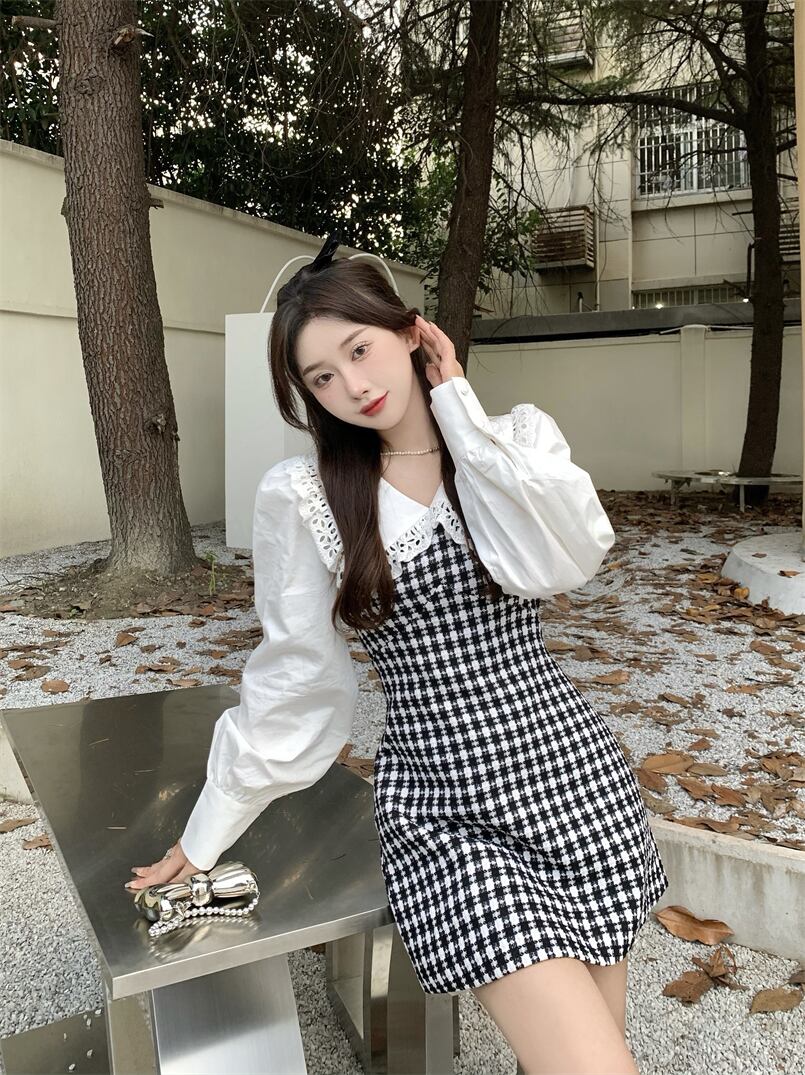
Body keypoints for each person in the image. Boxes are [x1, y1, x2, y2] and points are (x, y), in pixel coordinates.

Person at [125, 242, 668, 1074]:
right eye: (321, 377)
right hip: (446, 813)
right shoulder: (308, 497)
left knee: (580, 1052)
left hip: (573, 785)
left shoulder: (513, 445)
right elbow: (297, 682)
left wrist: (460, 414)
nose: (352, 384)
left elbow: (564, 558)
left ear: (410, 332)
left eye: (359, 349)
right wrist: (205, 834)